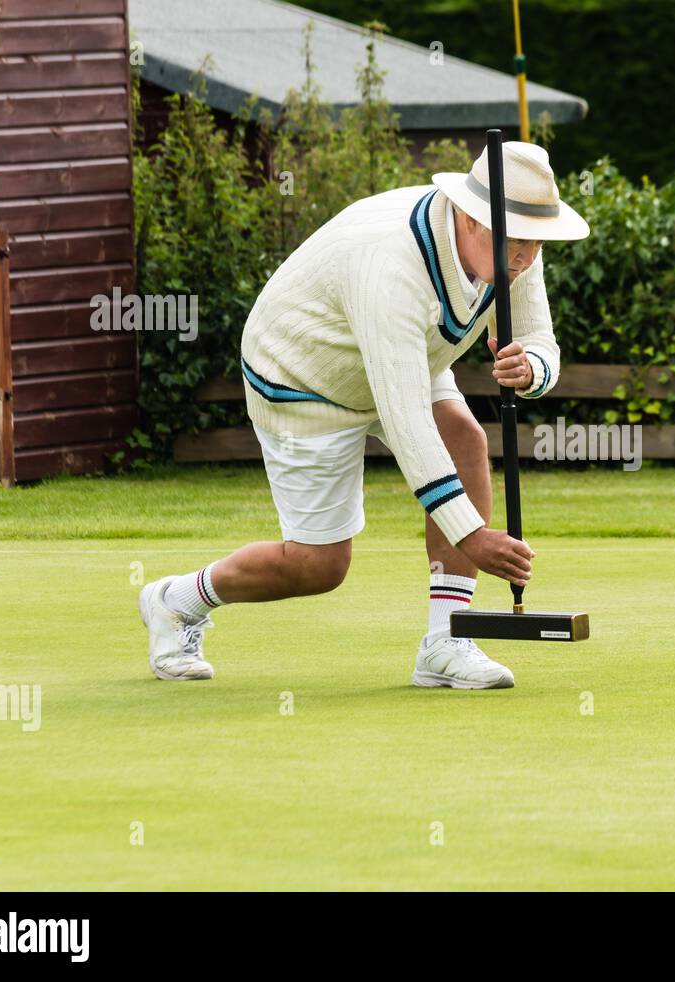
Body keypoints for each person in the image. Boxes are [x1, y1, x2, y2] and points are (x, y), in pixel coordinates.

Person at [138, 141, 590, 689]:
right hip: (302, 374)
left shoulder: (514, 247)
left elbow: (538, 336)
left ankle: (446, 642)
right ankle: (176, 600)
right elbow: (407, 423)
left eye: (536, 243)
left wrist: (533, 369)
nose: (526, 257)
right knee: (319, 567)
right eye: (517, 242)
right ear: (471, 220)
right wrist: (472, 535)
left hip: (404, 353)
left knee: (465, 440)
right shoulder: (390, 265)